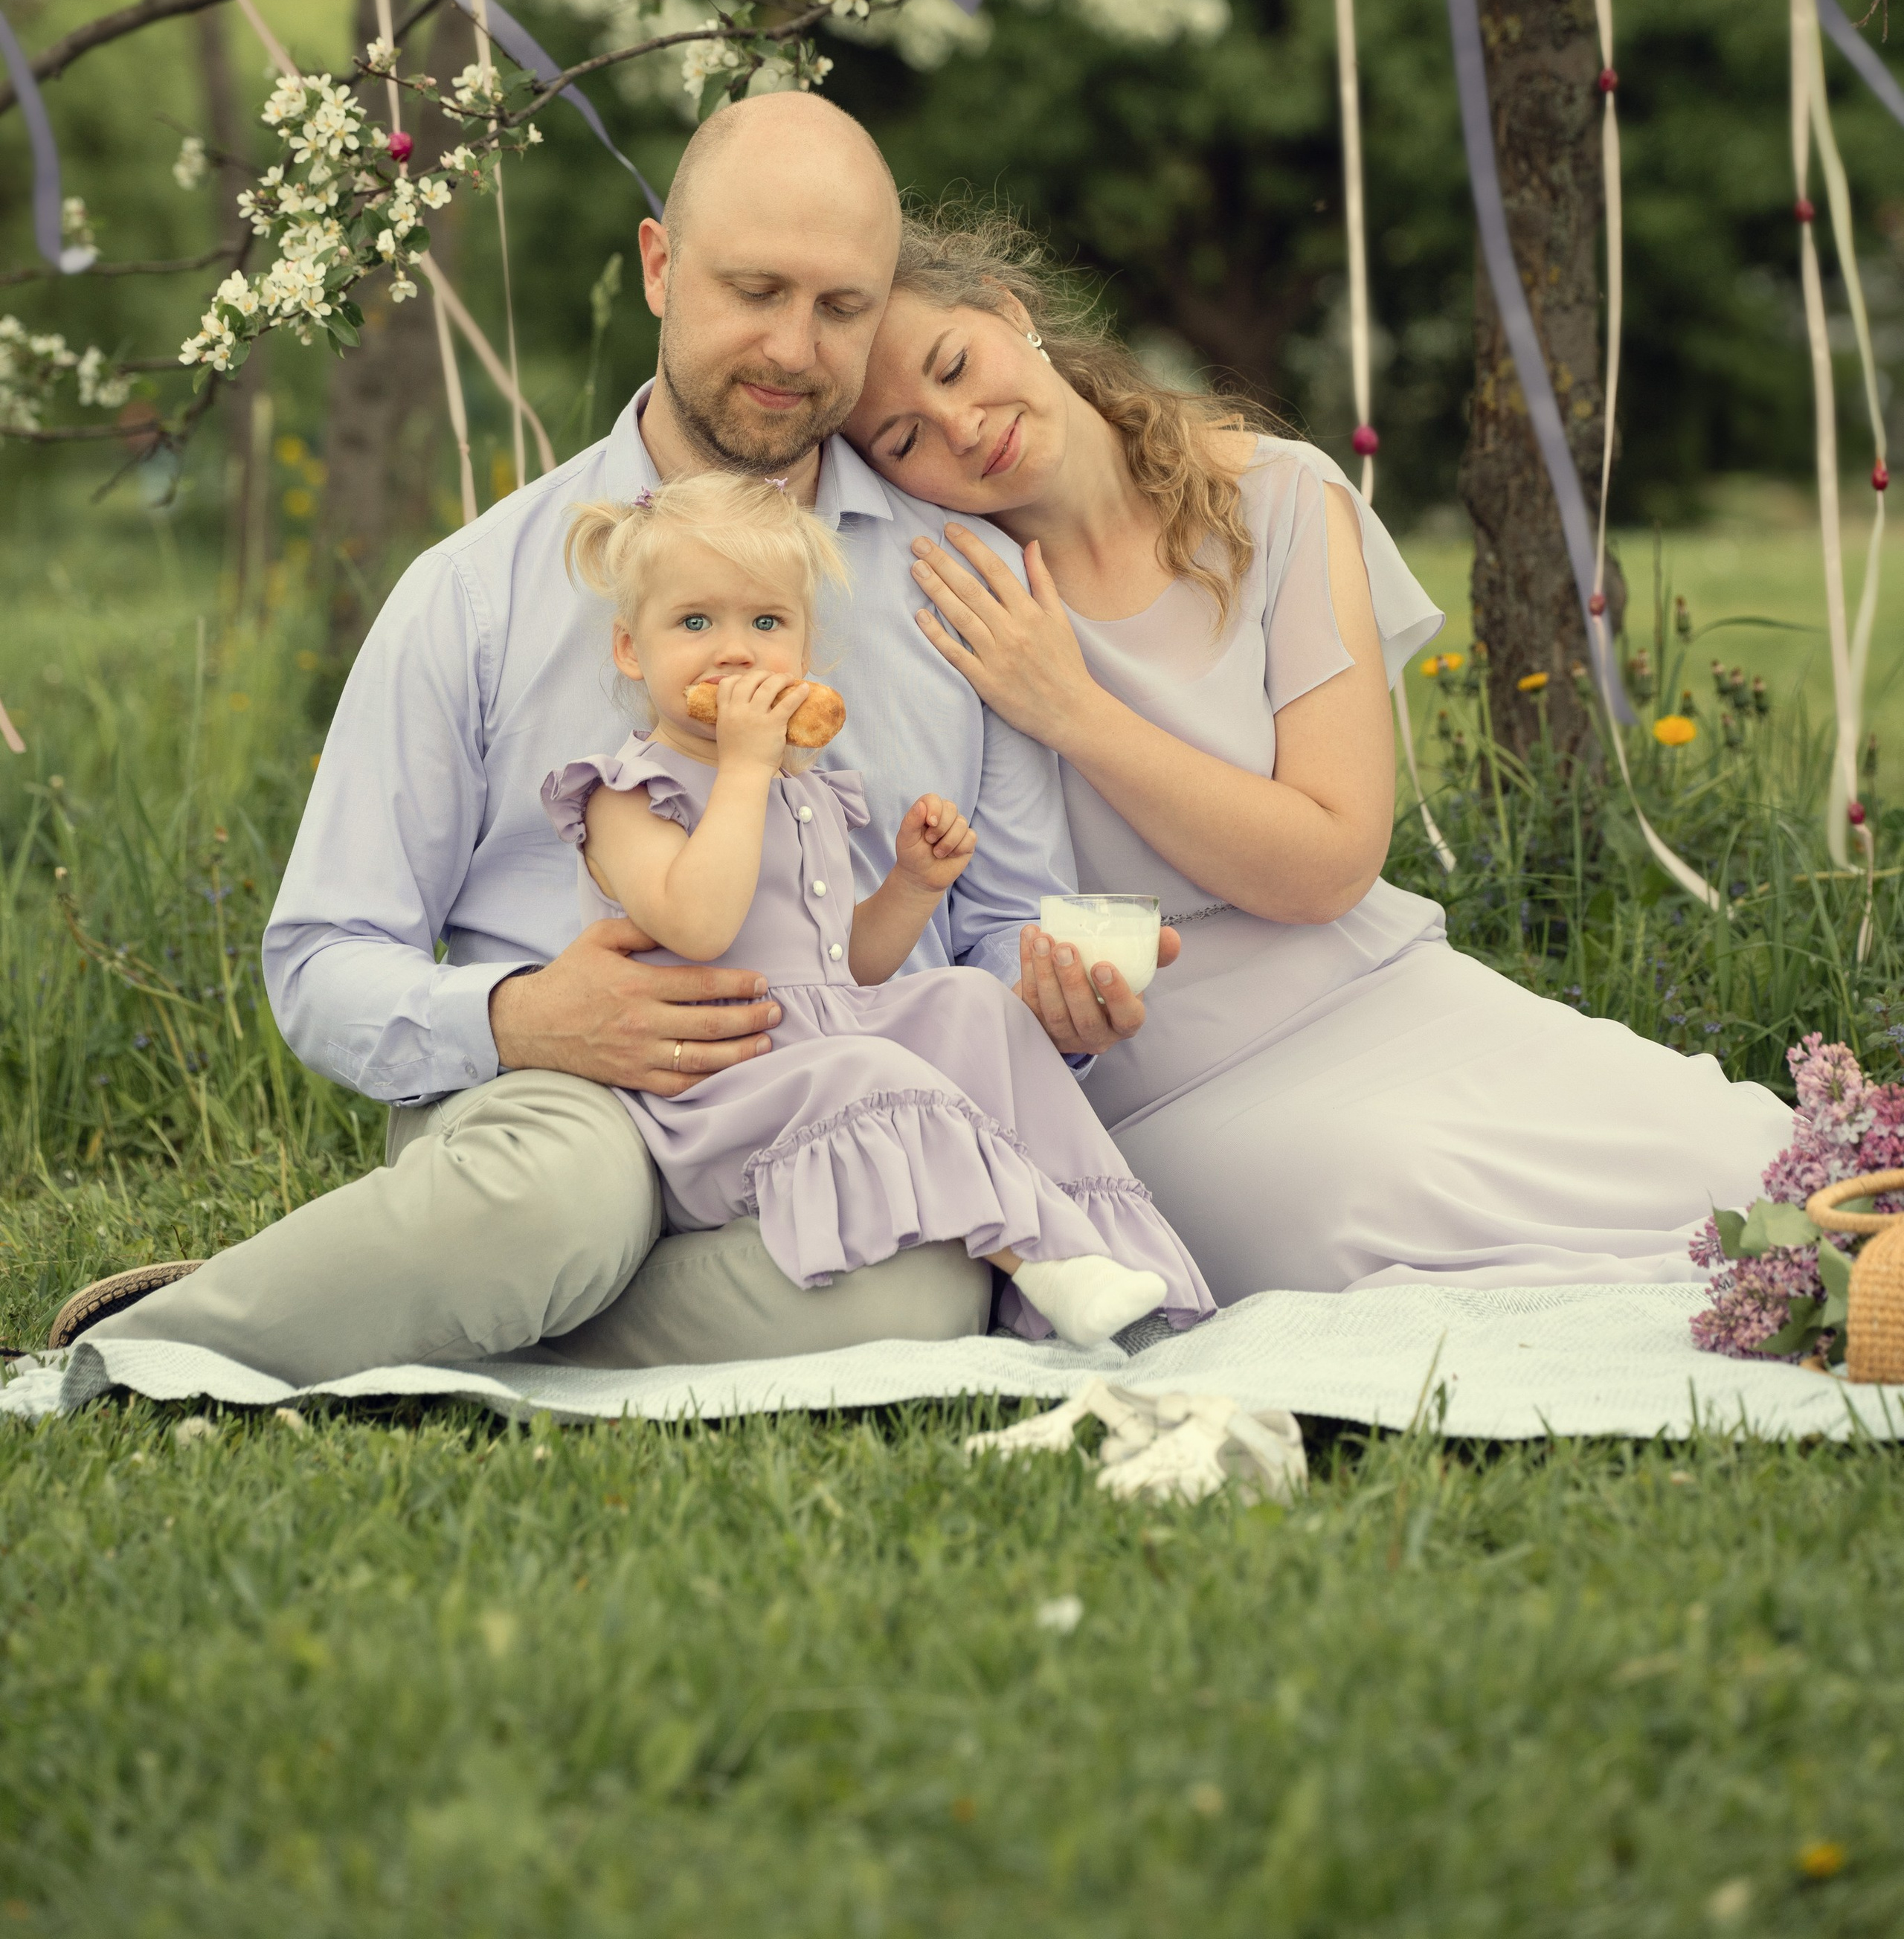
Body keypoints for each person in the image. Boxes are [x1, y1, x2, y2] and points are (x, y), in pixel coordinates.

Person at [55, 100, 1152, 1383]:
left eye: (844, 308)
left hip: (816, 1119)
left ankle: (413, 1291)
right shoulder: (477, 591)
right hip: (554, 1118)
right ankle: (149, 1349)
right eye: (755, 290)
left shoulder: (954, 592)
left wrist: (1063, 1005)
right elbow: (319, 960)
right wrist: (523, 1019)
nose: (795, 350)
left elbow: (996, 935)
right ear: (658, 266)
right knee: (559, 1205)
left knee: (912, 1284)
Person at [844, 207, 1795, 1299]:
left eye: (956, 366)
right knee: (1382, 1210)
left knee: (1732, 1157)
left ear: (1012, 313)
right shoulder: (955, 599)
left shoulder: (1280, 497)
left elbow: (1331, 861)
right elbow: (975, 896)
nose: (959, 425)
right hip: (1168, 1082)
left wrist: (1075, 711)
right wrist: (1040, 996)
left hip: (1377, 990)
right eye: (903, 438)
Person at [543, 472, 1212, 1344]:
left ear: (808, 647)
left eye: (767, 623)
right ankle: (1047, 1266)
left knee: (973, 1003)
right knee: (875, 1069)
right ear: (632, 649)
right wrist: (746, 770)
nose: (735, 651)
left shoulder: (802, 786)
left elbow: (841, 969)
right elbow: (697, 925)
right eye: (695, 623)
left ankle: (1113, 1256)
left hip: (813, 1055)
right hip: (712, 1096)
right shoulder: (627, 794)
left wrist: (911, 886)